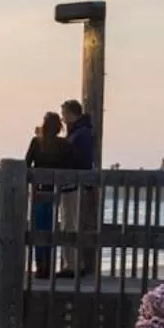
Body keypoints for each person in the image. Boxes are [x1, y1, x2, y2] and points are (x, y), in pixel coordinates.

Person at [26, 112, 77, 279]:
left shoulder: (37, 142)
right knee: (52, 229)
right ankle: (50, 266)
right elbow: (70, 166)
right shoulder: (64, 145)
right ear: (58, 128)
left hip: (39, 190)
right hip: (57, 190)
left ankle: (40, 267)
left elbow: (26, 163)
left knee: (39, 227)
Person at [59, 100, 97, 275]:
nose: (63, 119)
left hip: (74, 184)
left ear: (71, 114)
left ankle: (72, 265)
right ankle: (75, 263)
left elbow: (78, 159)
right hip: (77, 184)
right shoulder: (80, 132)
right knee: (71, 222)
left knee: (70, 223)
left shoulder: (80, 134)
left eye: (64, 114)